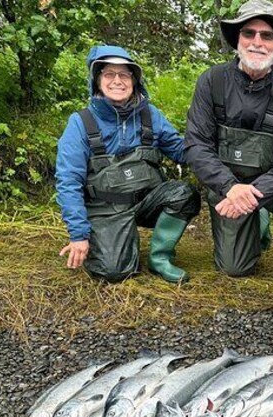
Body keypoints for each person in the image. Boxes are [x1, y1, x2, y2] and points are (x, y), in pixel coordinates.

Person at [185, 0, 273, 339]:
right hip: (228, 187)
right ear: (237, 39)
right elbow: (196, 146)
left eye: (267, 35)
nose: (257, 41)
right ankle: (254, 227)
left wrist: (253, 193)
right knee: (234, 268)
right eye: (249, 33)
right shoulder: (211, 81)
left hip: (272, 189)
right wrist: (231, 187)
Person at [56, 45, 200, 283]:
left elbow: (182, 151)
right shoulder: (80, 123)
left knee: (183, 194)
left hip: (145, 202)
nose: (117, 81)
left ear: (134, 80)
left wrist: (212, 155)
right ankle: (113, 239)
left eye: (124, 74)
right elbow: (68, 181)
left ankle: (160, 258)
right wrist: (79, 234)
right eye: (109, 74)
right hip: (104, 208)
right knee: (113, 273)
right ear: (97, 80)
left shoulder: (150, 115)